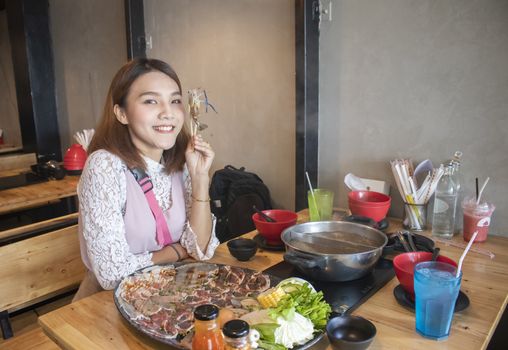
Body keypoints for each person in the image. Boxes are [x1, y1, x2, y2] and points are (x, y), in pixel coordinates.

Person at [73, 58, 219, 301]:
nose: (168, 113)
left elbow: (200, 249)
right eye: (151, 101)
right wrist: (175, 251)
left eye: (175, 101)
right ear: (121, 113)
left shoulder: (180, 163)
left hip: (168, 297)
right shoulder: (105, 166)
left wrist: (200, 178)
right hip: (106, 307)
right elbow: (111, 274)